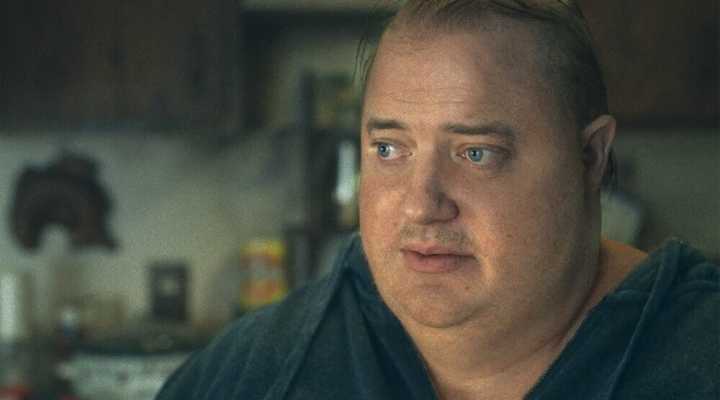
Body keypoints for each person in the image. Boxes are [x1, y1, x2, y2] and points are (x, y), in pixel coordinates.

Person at [156, 1, 719, 399]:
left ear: (591, 157)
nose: (420, 205)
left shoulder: (697, 356)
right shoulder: (263, 367)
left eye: (476, 153)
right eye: (388, 148)